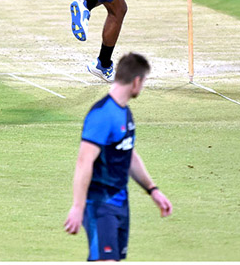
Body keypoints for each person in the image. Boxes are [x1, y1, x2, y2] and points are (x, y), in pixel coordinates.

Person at [64, 53, 172, 261]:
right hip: (99, 204)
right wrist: (78, 207)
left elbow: (128, 155)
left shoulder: (124, 113)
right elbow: (84, 161)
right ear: (137, 81)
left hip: (120, 203)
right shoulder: (102, 114)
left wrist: (153, 190)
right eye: (144, 82)